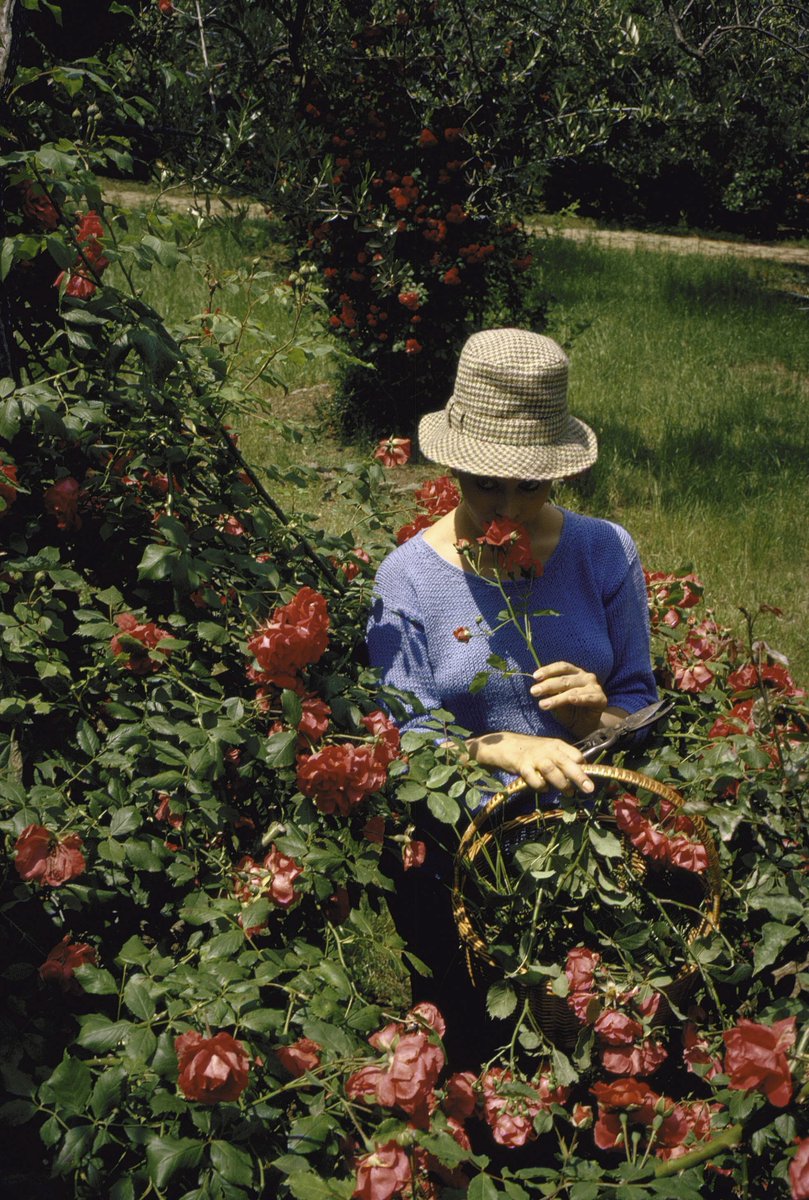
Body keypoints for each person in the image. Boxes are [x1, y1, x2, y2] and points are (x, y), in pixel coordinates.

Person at [365, 328, 658, 1060]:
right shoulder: (406, 579)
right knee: (476, 1057)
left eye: (530, 485)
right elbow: (405, 743)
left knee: (591, 1061)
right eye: (484, 483)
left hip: (588, 862)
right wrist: (500, 744)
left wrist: (599, 717)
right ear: (453, 466)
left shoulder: (604, 553)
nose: (506, 506)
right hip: (461, 873)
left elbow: (641, 703)